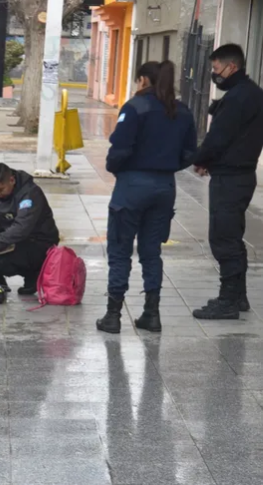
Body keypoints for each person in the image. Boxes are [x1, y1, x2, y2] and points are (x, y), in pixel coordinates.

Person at [96, 61, 197, 334]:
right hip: (165, 187)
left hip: (133, 185)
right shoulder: (182, 111)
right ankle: (151, 314)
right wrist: (167, 166)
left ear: (143, 80)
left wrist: (117, 168)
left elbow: (119, 148)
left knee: (120, 250)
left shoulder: (134, 108)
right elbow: (190, 153)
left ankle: (113, 316)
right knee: (152, 252)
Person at [191, 44, 263, 320]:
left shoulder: (238, 98)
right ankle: (238, 296)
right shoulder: (252, 94)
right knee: (233, 236)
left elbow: (219, 137)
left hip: (231, 178)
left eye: (216, 68)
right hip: (241, 175)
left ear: (232, 67)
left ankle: (228, 301)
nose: (214, 73)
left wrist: (200, 158)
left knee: (223, 238)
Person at [0, 163, 59, 294]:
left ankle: (33, 274)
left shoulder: (30, 195)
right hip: (15, 237)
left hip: (38, 243)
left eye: (0, 190)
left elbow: (20, 230)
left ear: (12, 180)